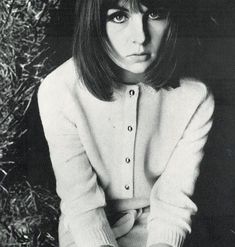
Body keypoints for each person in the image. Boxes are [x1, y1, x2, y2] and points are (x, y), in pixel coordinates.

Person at [37, 0, 214, 246]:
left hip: (161, 226)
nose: (140, 37)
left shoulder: (196, 96)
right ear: (94, 23)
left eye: (153, 14)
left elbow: (174, 200)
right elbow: (81, 202)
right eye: (119, 17)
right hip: (86, 229)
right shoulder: (59, 89)